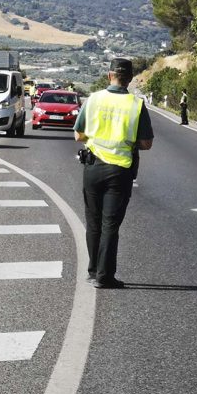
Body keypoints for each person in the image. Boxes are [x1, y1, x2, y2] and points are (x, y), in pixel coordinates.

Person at [74, 58, 154, 289]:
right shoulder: (136, 105)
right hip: (120, 170)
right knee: (110, 224)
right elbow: (147, 143)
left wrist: (98, 138)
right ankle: (104, 276)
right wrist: (127, 141)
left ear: (109, 76)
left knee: (93, 221)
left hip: (92, 167)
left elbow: (79, 135)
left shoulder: (94, 99)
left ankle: (93, 271)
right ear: (129, 79)